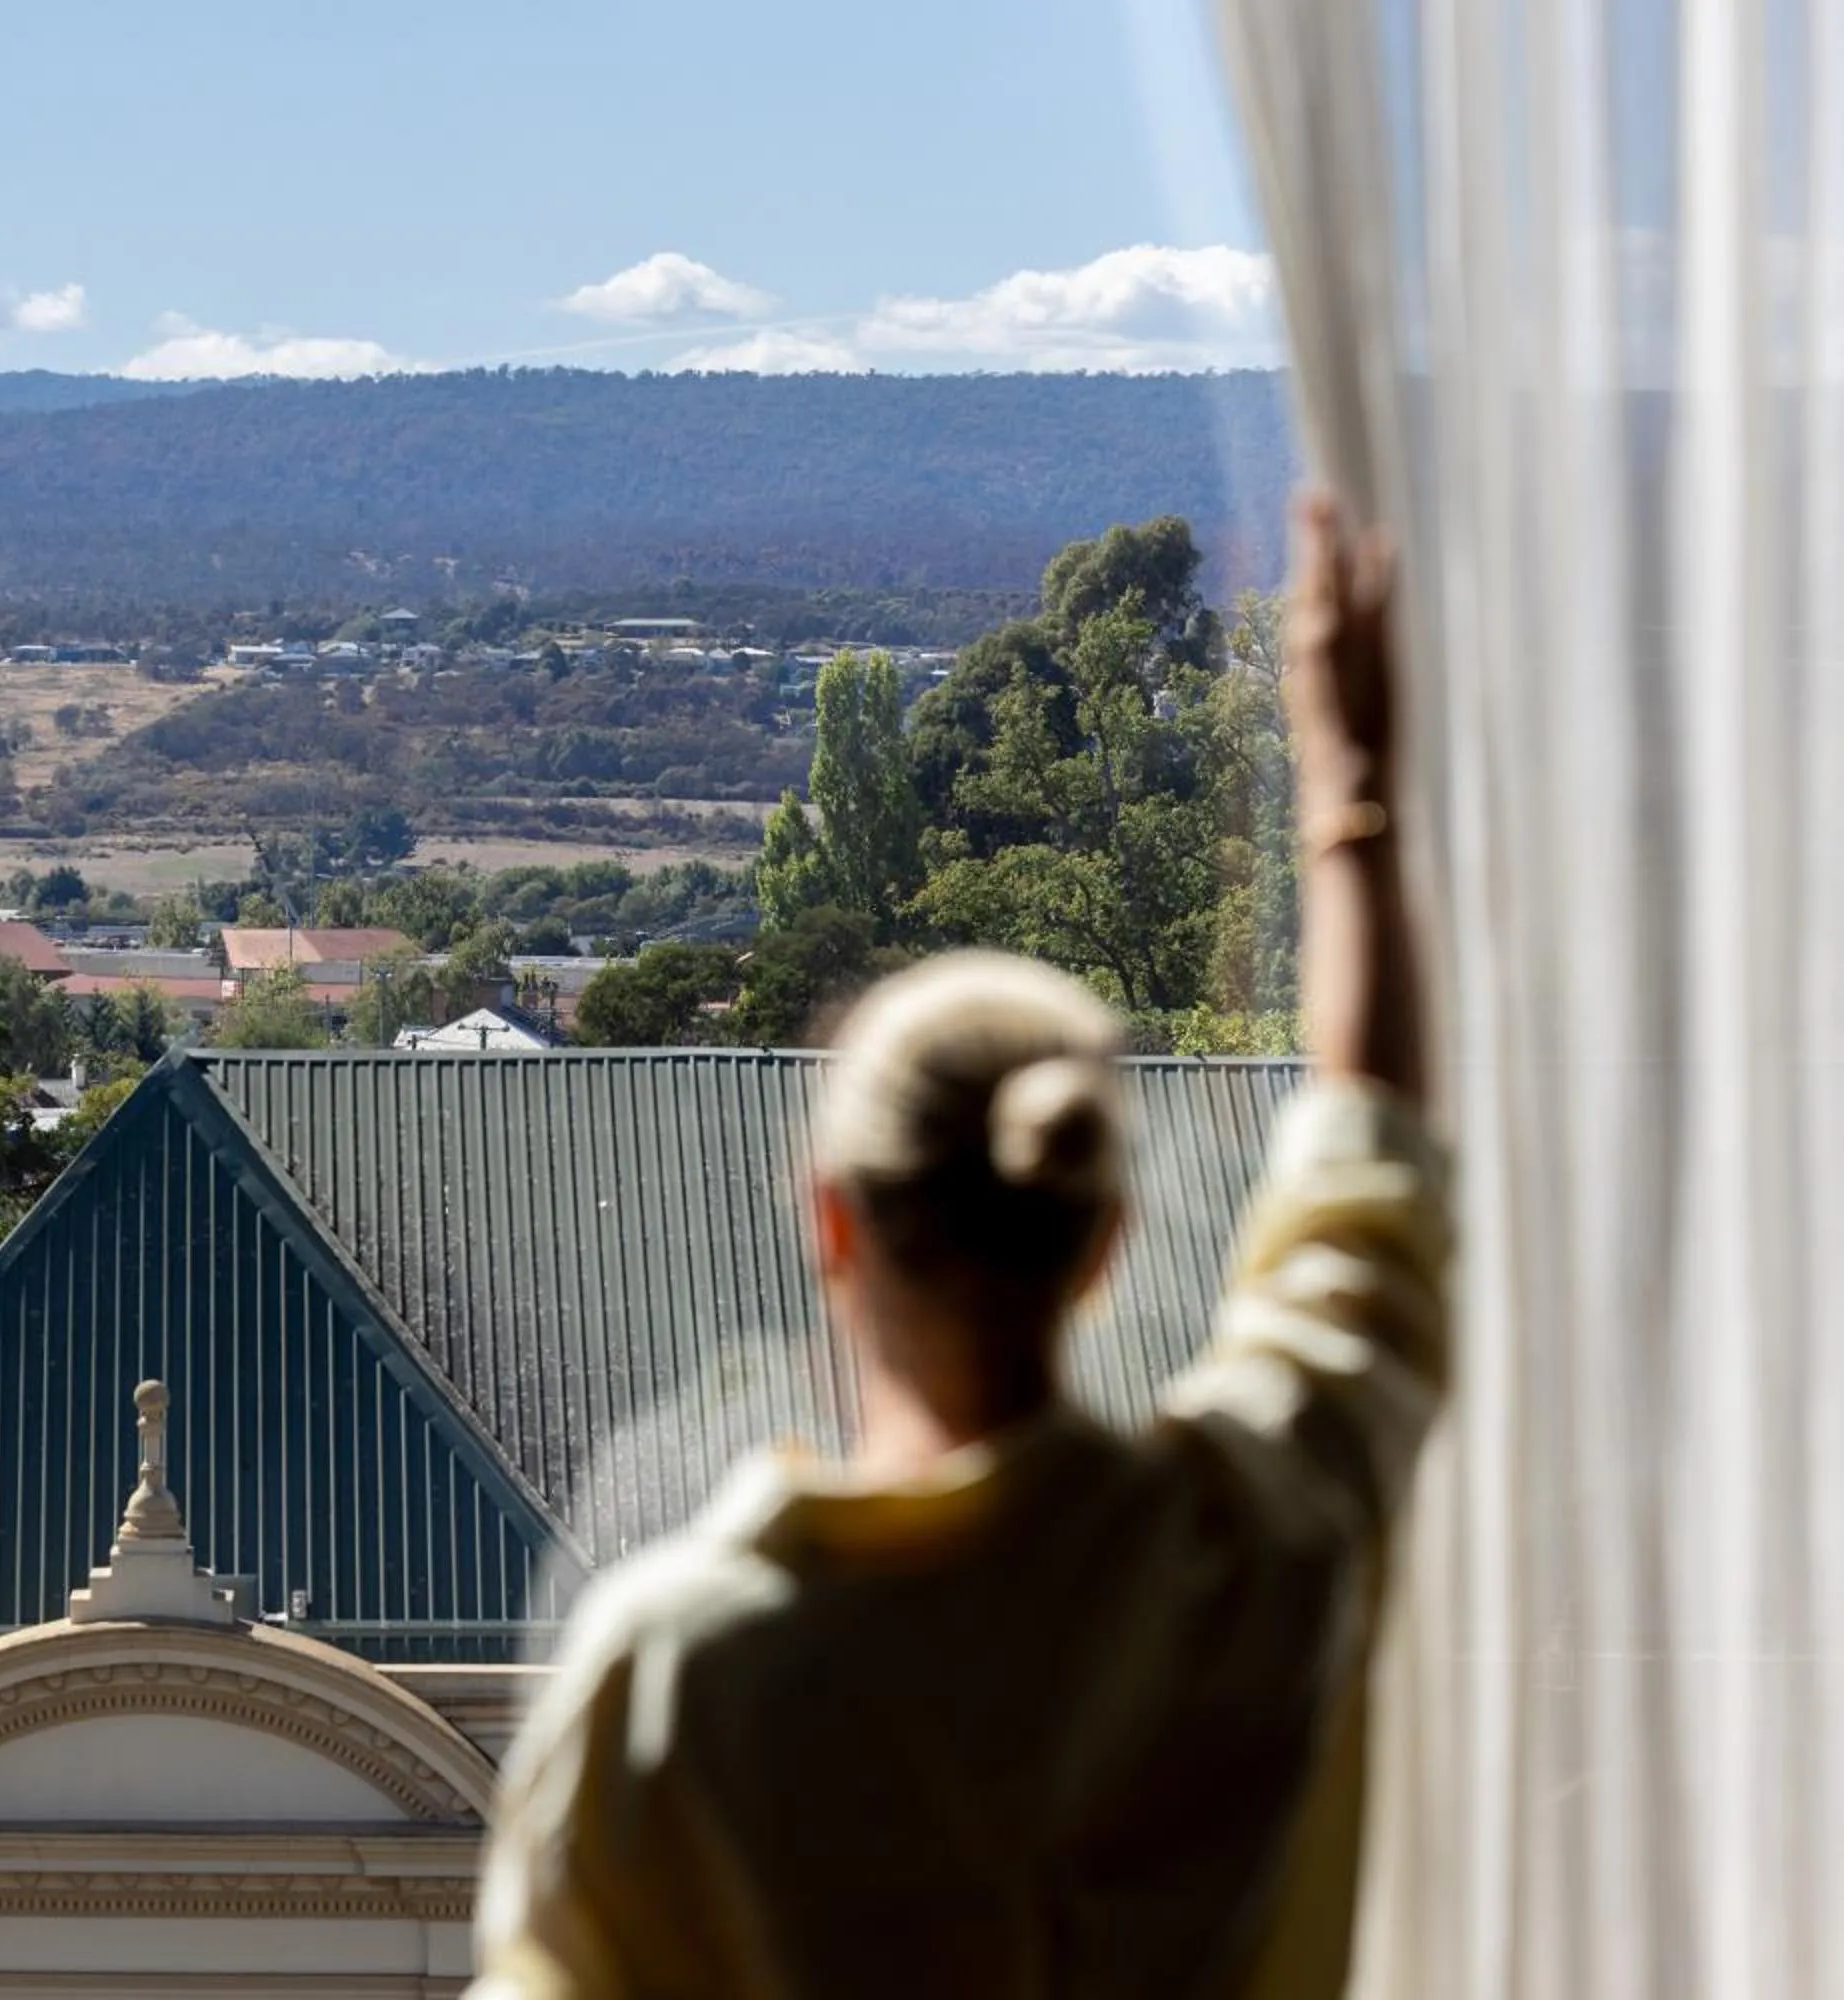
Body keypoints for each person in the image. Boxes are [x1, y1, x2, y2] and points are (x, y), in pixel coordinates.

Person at [467, 491, 1444, 2000]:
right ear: (1106, 1236)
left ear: (831, 1225)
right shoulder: (1251, 1551)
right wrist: (1354, 786)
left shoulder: (677, 1679)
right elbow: (1370, 1176)